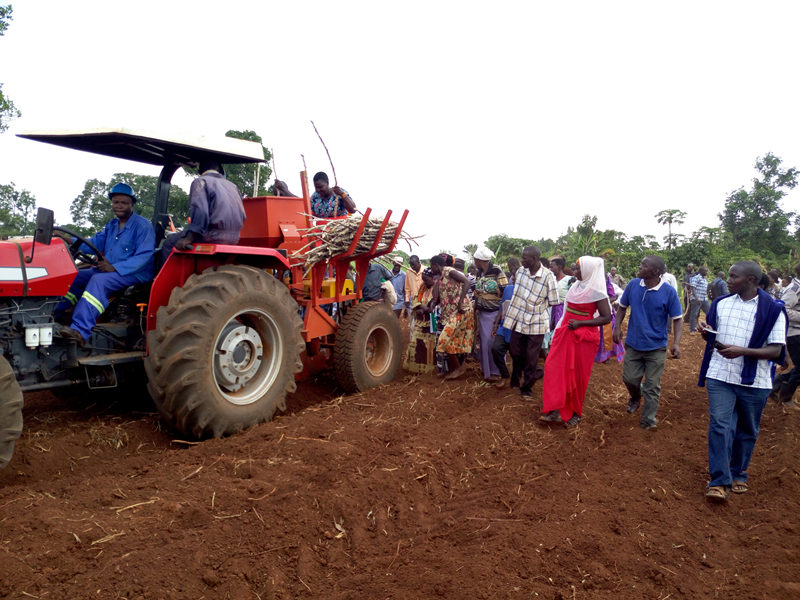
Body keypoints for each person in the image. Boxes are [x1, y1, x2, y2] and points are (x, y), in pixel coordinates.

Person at [698, 261, 786, 502]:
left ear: (751, 280)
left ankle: (739, 472)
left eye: (734, 277)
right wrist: (705, 330)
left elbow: (775, 350)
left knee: (747, 431)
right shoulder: (720, 304)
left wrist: (743, 351)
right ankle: (719, 481)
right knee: (720, 425)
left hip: (755, 381)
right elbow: (712, 334)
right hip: (720, 374)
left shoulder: (773, 310)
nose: (728, 280)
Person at [55, 183, 155, 345]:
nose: (119, 206)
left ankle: (80, 330)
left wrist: (114, 267)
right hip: (109, 271)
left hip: (133, 273)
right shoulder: (112, 225)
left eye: (124, 202)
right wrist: (69, 240)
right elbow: (95, 243)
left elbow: (144, 256)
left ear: (132, 204)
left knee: (98, 281)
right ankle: (54, 314)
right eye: (116, 202)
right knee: (75, 277)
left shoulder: (142, 226)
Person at [539, 256, 611, 427]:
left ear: (588, 271)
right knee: (555, 367)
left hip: (583, 338)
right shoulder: (576, 287)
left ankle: (575, 412)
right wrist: (558, 330)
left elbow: (606, 317)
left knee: (577, 374)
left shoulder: (597, 292)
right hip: (566, 332)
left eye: (578, 269)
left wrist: (581, 323)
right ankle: (555, 406)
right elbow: (565, 311)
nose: (575, 271)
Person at [613, 256, 683, 431]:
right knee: (629, 379)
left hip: (656, 347)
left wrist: (677, 343)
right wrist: (617, 327)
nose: (639, 266)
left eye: (644, 265)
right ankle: (636, 396)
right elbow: (622, 307)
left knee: (652, 386)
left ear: (656, 271)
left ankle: (648, 420)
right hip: (634, 344)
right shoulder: (633, 285)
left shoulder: (669, 292)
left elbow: (678, 319)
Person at [160, 160, 245, 265]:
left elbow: (201, 212)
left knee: (169, 243)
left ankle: (169, 280)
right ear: (220, 170)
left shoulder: (201, 182)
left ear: (200, 170)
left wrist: (188, 238)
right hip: (234, 238)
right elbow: (242, 215)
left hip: (210, 236)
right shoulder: (233, 186)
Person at [501, 246, 559, 399]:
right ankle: (518, 375)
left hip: (536, 321)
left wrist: (537, 306)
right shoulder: (520, 272)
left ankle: (527, 387)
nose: (522, 260)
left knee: (531, 356)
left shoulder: (548, 276)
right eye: (522, 257)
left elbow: (554, 301)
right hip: (518, 319)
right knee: (515, 351)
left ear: (535, 259)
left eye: (525, 258)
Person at [429, 254, 474, 380]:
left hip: (461, 310)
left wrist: (460, 302)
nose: (431, 269)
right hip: (451, 313)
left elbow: (467, 281)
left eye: (432, 267)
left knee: (444, 339)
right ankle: (457, 367)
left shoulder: (450, 271)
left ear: (436, 265)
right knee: (451, 340)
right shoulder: (440, 277)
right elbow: (437, 297)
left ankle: (459, 368)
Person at [472, 246, 508, 382]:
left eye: (475, 259)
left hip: (494, 313)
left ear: (480, 260)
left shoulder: (497, 271)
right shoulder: (479, 272)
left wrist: (501, 313)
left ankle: (497, 371)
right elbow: (476, 290)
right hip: (482, 313)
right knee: (485, 343)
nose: (474, 261)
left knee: (493, 342)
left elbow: (504, 290)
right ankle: (487, 371)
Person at [771, 263, 800, 407]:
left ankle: (776, 384)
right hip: (795, 334)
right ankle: (785, 396)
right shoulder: (795, 289)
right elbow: (783, 309)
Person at [403, 268, 438, 374]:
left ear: (433, 278)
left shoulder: (437, 289)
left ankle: (429, 371)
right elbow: (415, 301)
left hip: (432, 321)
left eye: (426, 280)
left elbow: (433, 307)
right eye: (423, 280)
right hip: (420, 321)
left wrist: (424, 308)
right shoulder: (422, 288)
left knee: (430, 346)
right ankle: (414, 368)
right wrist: (419, 308)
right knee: (416, 343)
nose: (425, 282)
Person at [549, 257, 570, 331]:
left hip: (563, 310)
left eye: (552, 267)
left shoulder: (569, 280)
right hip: (551, 309)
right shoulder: (551, 280)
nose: (550, 269)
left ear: (559, 267)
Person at [687, 266, 710, 332]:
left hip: (704, 299)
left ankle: (709, 327)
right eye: (705, 271)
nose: (706, 272)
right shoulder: (696, 278)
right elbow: (693, 287)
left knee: (709, 312)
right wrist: (696, 298)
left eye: (707, 271)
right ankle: (692, 329)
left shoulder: (704, 279)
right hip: (696, 299)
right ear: (701, 271)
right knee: (694, 314)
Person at [404, 255, 423, 330]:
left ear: (418, 263)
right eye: (410, 265)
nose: (412, 267)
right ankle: (412, 340)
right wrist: (407, 299)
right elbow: (407, 287)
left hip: (423, 300)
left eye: (414, 265)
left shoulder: (425, 270)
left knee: (422, 322)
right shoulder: (409, 271)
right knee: (412, 323)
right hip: (413, 301)